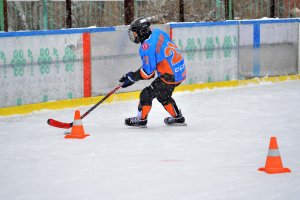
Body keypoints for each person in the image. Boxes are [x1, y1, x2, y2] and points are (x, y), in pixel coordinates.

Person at [119, 17, 187, 127]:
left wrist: (132, 77)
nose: (134, 36)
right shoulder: (157, 32)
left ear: (142, 32)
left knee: (146, 94)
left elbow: (148, 73)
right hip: (180, 71)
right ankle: (178, 118)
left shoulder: (147, 47)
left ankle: (141, 120)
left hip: (169, 76)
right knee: (163, 96)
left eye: (135, 33)